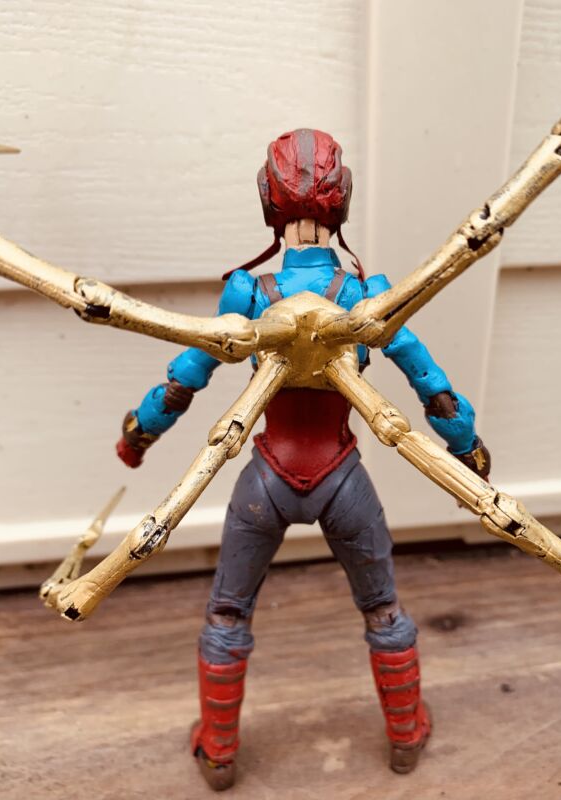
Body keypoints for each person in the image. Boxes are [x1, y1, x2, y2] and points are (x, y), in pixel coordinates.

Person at [116, 128, 491, 791]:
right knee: (383, 610)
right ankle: (405, 735)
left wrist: (138, 435)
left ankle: (219, 753)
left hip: (265, 478)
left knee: (227, 615)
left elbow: (183, 379)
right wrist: (467, 451)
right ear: (341, 199)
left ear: (267, 199)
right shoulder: (365, 292)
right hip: (342, 477)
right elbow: (428, 382)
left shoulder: (248, 292)